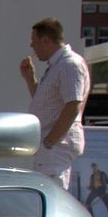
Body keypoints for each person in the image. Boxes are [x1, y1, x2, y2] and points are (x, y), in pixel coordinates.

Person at [17, 17, 89, 190]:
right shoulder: (58, 65)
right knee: (45, 191)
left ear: (46, 40)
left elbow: (73, 105)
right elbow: (47, 103)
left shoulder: (69, 64)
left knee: (52, 193)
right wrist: (30, 79)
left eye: (34, 41)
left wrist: (50, 141)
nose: (32, 46)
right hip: (51, 144)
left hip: (56, 145)